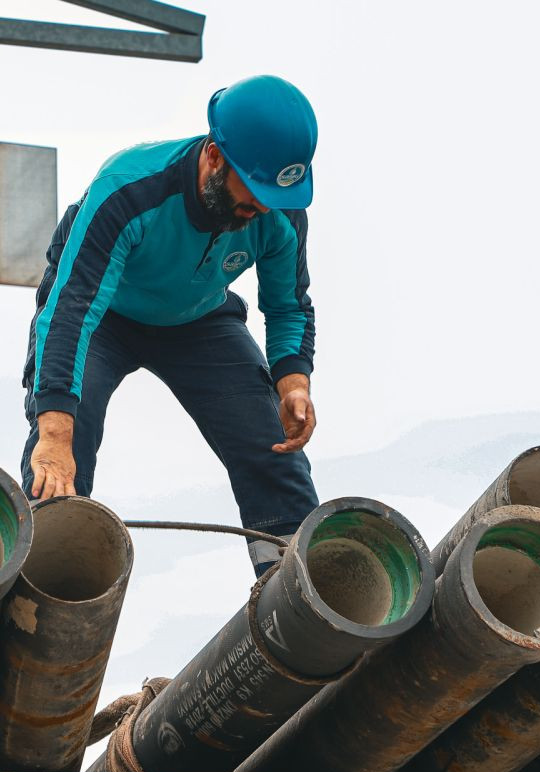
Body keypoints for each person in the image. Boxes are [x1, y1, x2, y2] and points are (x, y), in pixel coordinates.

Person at [20, 75, 320, 576]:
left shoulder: (280, 210)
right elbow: (72, 307)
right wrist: (53, 429)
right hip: (102, 314)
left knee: (273, 446)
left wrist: (294, 381)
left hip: (198, 321)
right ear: (215, 157)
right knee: (63, 443)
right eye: (253, 193)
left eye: (274, 195)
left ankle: (294, 599)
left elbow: (289, 305)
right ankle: (46, 584)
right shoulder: (130, 189)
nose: (262, 208)